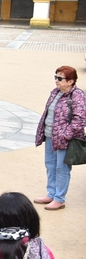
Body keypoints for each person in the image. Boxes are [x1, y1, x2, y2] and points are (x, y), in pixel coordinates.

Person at [34, 65, 86, 211]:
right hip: (50, 136)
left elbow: (80, 119)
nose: (56, 81)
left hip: (65, 139)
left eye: (60, 78)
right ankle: (51, 193)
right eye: (55, 77)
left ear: (70, 81)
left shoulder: (78, 95)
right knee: (50, 165)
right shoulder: (55, 92)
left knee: (61, 168)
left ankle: (59, 199)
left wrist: (66, 134)